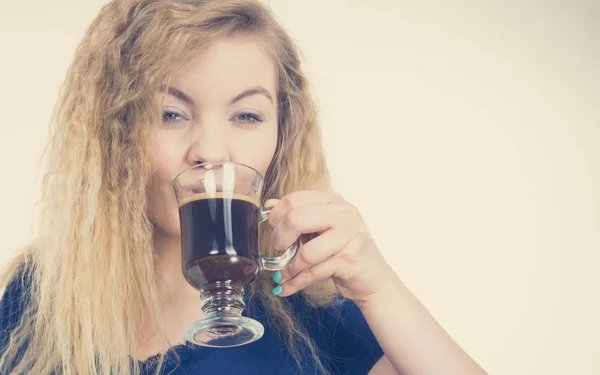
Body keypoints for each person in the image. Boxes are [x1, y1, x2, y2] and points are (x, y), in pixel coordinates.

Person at [0, 0, 488, 374]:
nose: (212, 151)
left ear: (282, 133)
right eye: (170, 114)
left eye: (246, 115)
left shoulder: (314, 311)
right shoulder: (37, 298)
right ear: (114, 129)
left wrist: (381, 290)